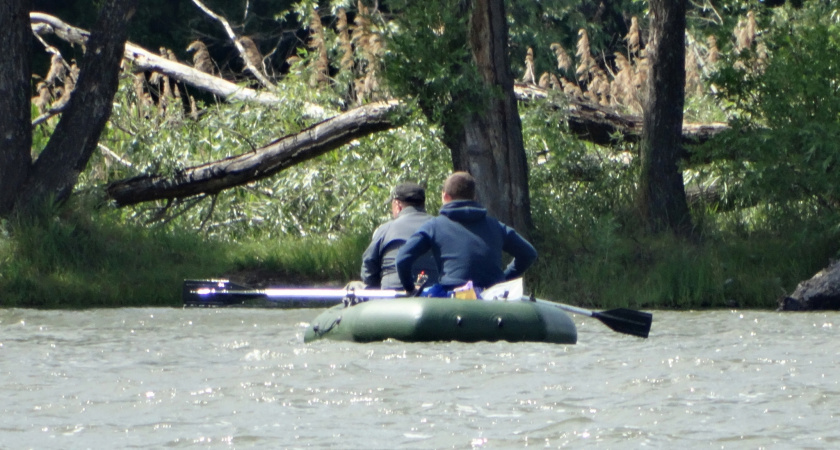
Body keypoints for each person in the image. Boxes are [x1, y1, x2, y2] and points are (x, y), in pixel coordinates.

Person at [395, 171, 537, 294]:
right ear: (474, 197)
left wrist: (410, 288)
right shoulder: (496, 226)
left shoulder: (434, 226)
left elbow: (402, 258)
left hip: (453, 300)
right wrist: (503, 279)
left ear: (445, 196)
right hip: (492, 298)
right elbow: (528, 253)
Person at [360, 182, 439, 290]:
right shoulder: (440, 227)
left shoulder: (385, 229)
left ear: (398, 205)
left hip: (393, 299)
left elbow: (368, 271)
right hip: (433, 298)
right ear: (423, 204)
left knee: (354, 286)